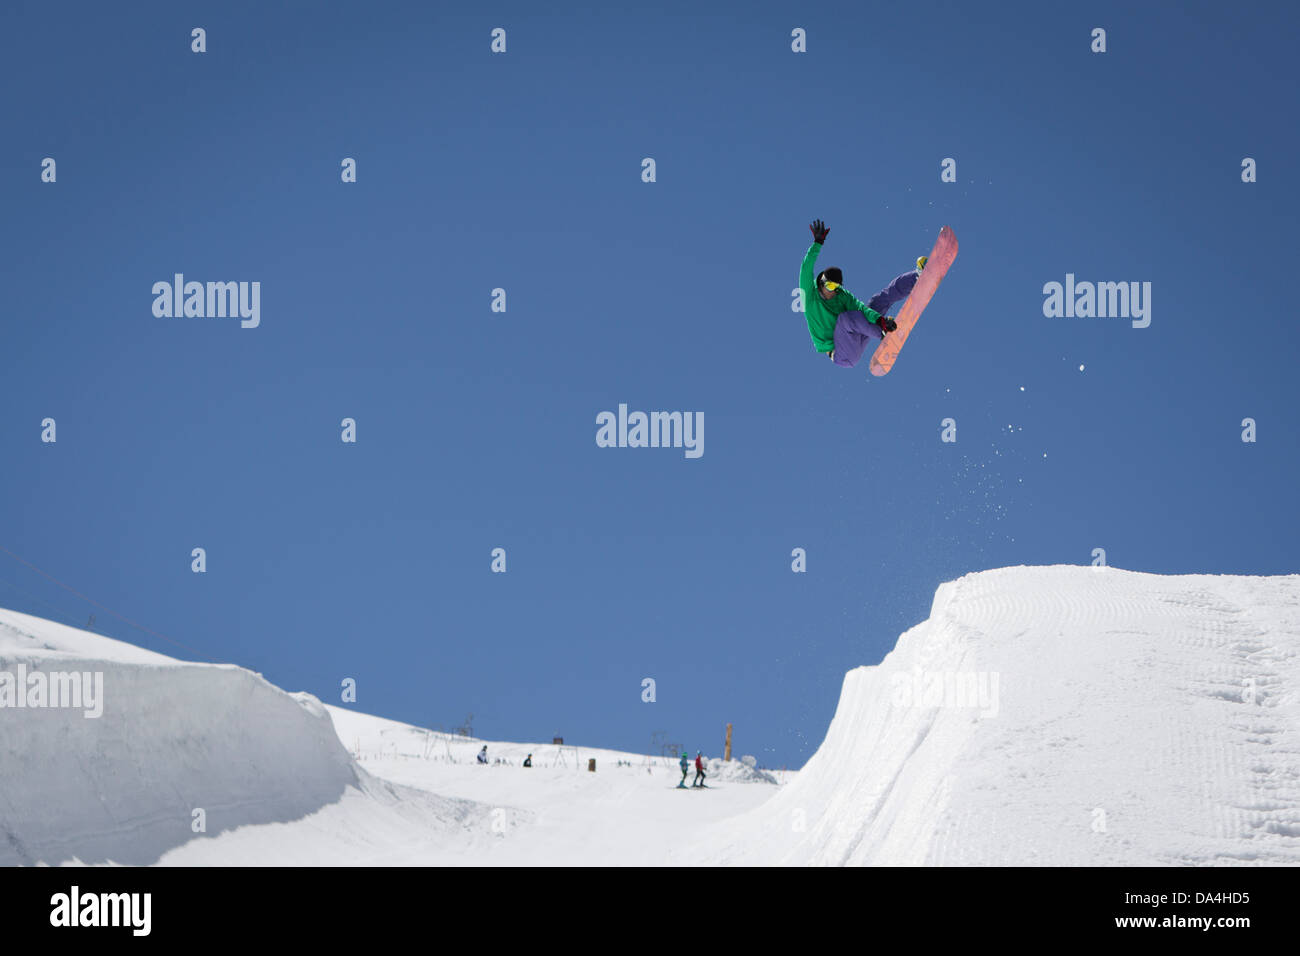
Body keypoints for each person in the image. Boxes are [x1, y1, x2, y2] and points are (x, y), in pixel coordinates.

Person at [801, 219, 927, 368]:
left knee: (878, 300)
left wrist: (880, 320)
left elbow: (862, 309)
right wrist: (818, 243)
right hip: (842, 354)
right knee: (844, 318)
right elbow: (806, 268)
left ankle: (917, 276)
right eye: (829, 285)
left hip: (856, 334)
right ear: (821, 283)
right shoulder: (810, 296)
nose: (833, 291)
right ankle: (882, 334)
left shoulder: (842, 296)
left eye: (836, 287)